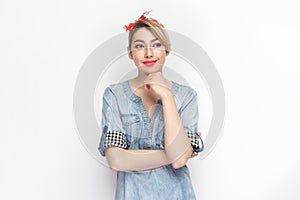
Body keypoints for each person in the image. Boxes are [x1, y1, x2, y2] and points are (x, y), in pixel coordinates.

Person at [98, 11, 204, 200]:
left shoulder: (186, 97)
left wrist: (166, 95)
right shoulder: (115, 95)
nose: (148, 53)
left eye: (156, 45)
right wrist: (175, 153)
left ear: (166, 51)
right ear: (130, 53)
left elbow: (180, 162)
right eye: (140, 46)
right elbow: (116, 161)